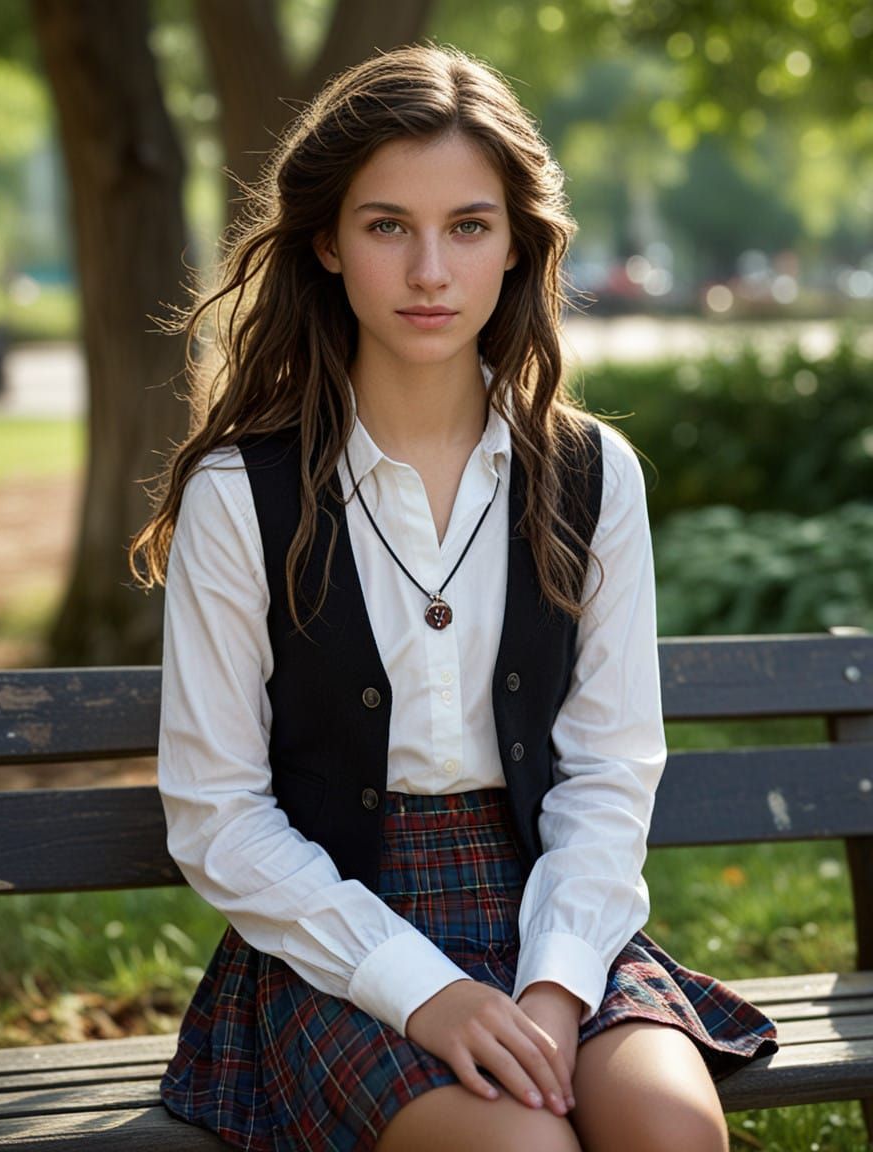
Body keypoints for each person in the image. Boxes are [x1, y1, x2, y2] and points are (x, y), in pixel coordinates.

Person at [130, 42, 777, 1152]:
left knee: (672, 1130)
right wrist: (422, 990)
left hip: (550, 910)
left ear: (516, 243)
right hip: (340, 932)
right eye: (388, 225)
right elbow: (218, 813)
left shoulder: (587, 475)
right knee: (520, 1145)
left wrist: (557, 987)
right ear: (327, 242)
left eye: (468, 227)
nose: (429, 269)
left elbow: (611, 773)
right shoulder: (247, 494)